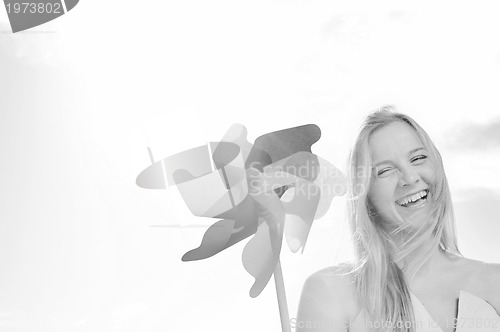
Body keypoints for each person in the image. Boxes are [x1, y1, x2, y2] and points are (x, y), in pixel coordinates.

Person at [296, 106, 500, 332]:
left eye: (419, 158)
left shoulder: (495, 281)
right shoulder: (329, 293)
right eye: (385, 171)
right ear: (366, 194)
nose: (410, 178)